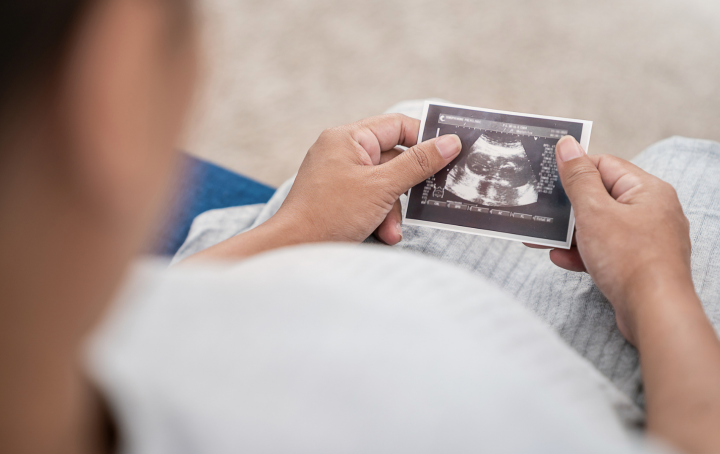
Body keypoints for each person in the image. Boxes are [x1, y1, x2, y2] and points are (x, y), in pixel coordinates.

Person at [2, 1, 720, 454]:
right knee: (689, 170)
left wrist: (295, 227)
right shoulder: (423, 402)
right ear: (112, 84)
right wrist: (657, 288)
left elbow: (138, 316)